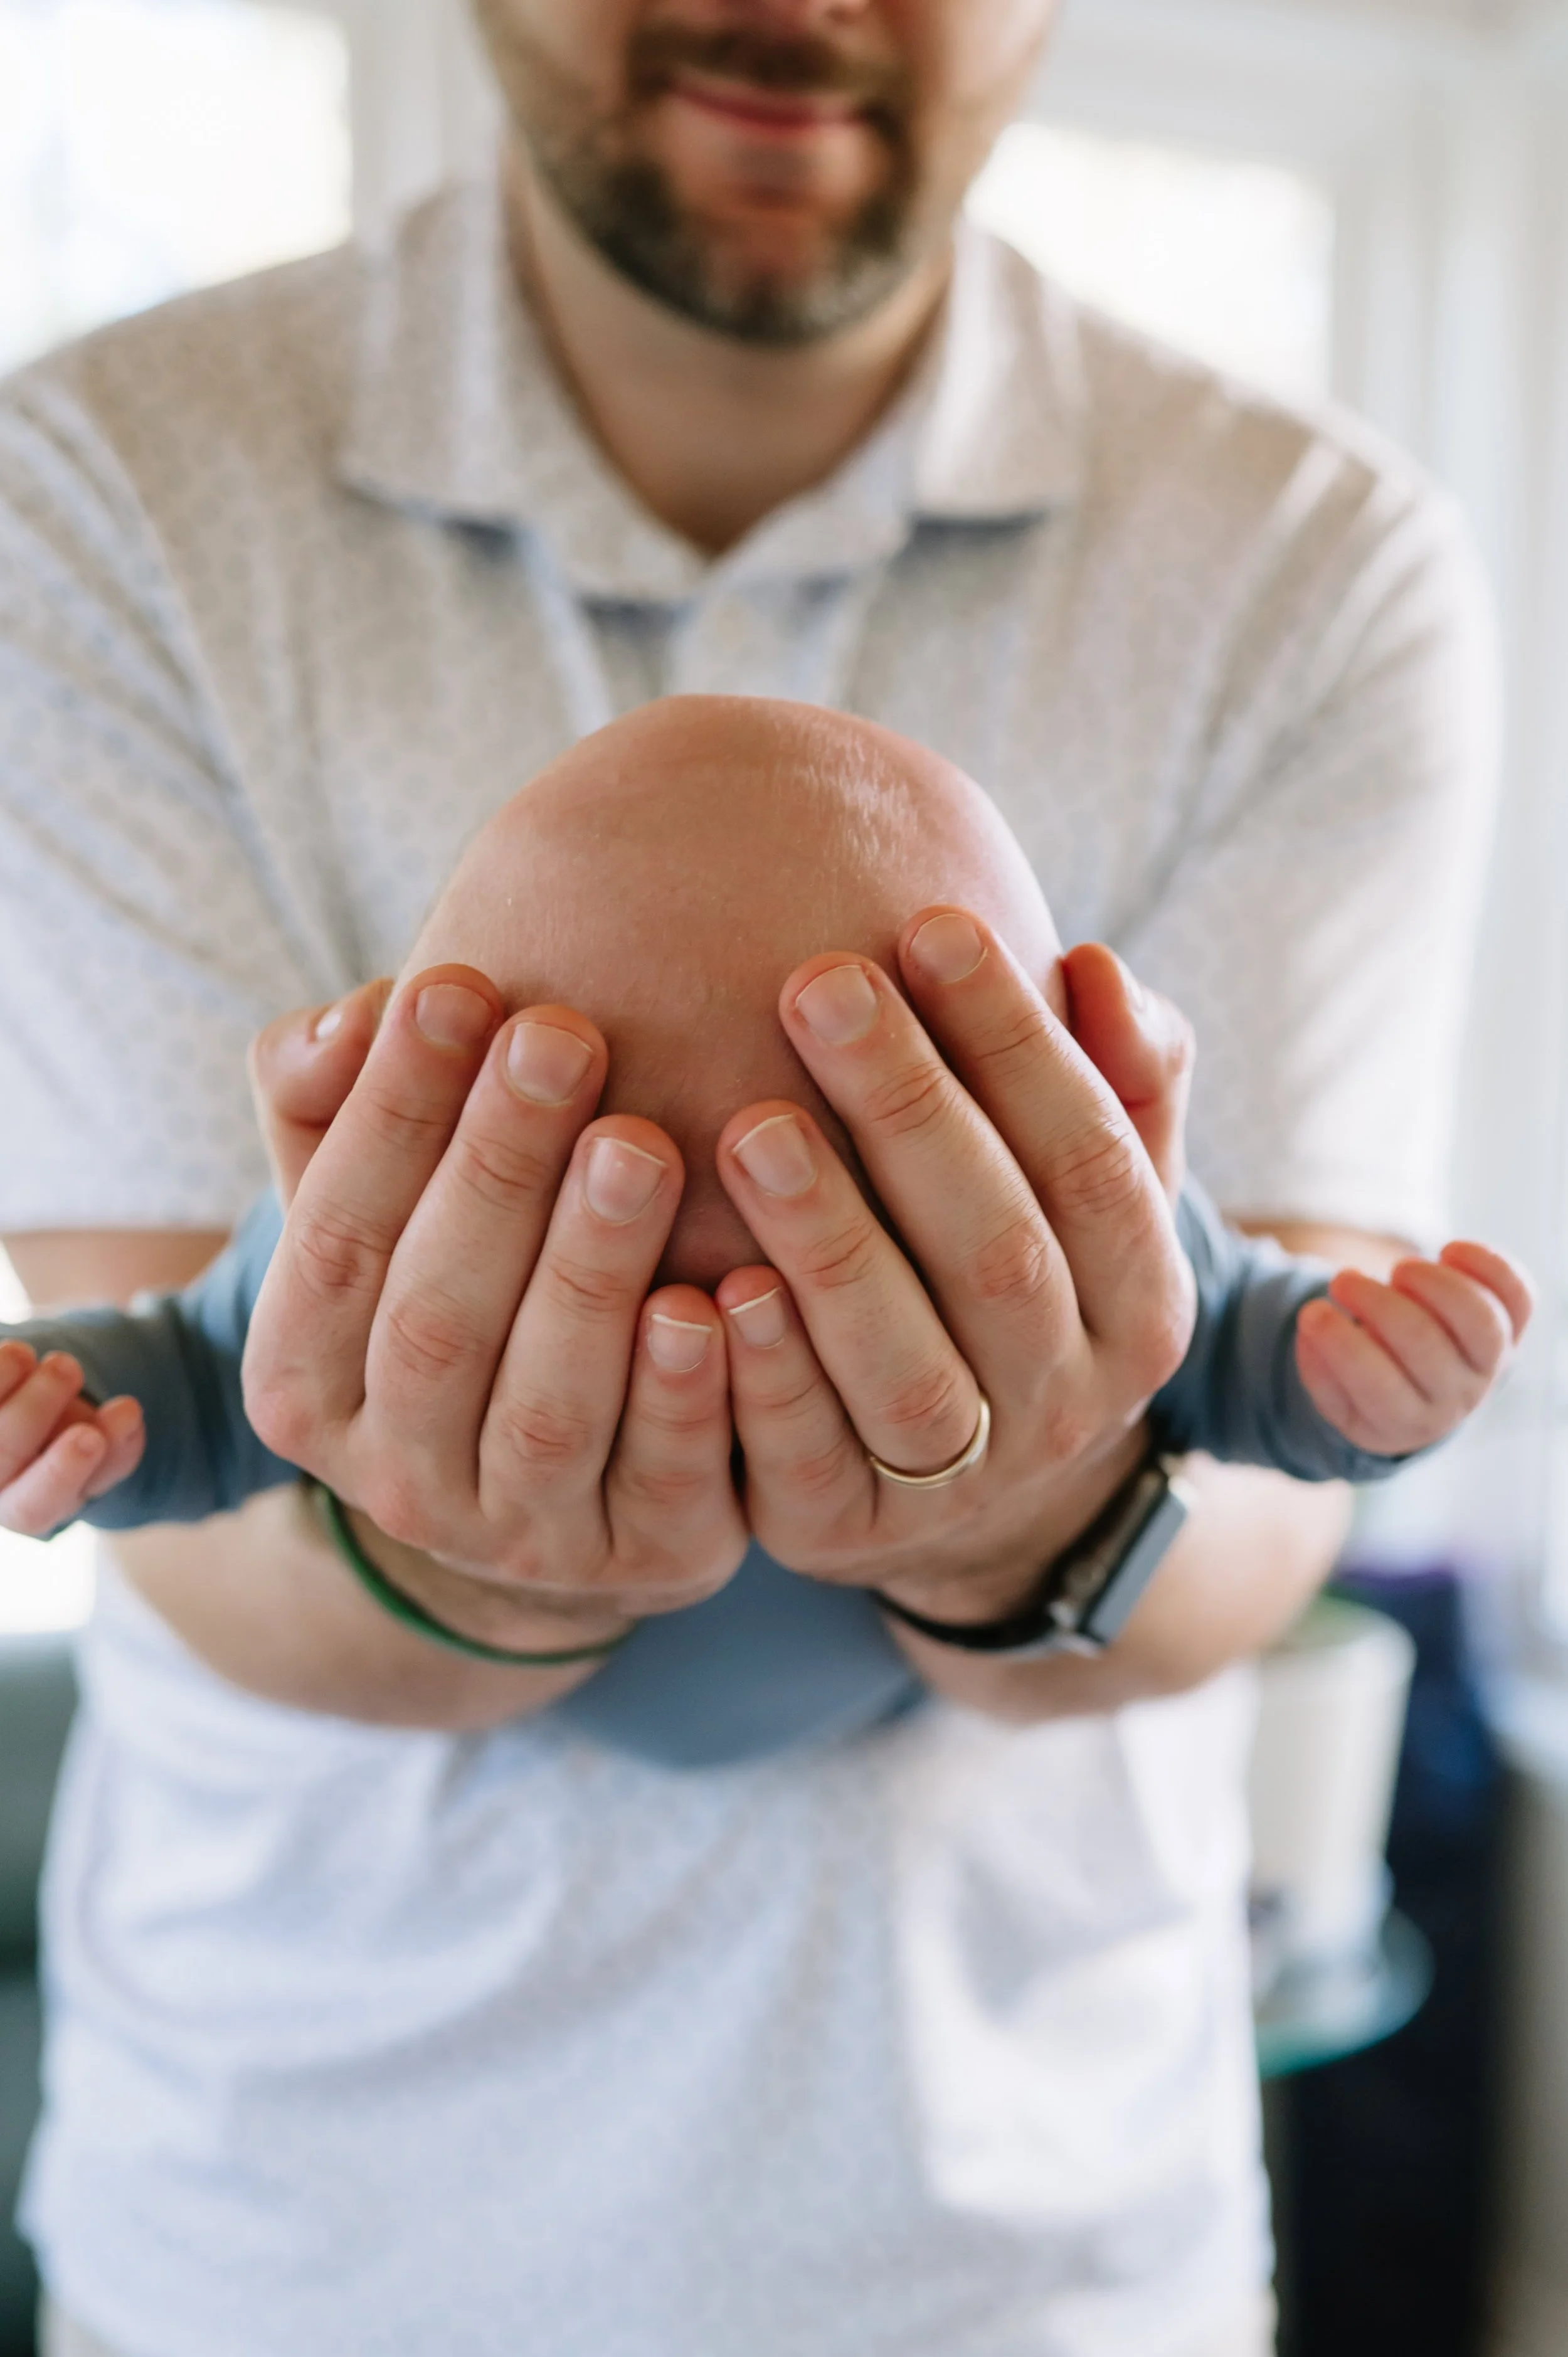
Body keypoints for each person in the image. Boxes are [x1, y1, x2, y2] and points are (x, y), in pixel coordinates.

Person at [0, 4, 1498, 2353]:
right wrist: (120, 1418)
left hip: (1028, 2249)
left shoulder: (1316, 560)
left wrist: (1231, 1423)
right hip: (291, 2242)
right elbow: (201, 1411)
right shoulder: (90, 487)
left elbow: (1263, 1425)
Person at [0, 700, 1531, 1784]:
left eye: (865, 1209)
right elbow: (209, 1388)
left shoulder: (1089, 1238)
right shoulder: (373, 1259)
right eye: (615, 1212)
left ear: (1027, 1113)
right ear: (444, 1117)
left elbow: (1237, 1356)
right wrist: (75, 1415)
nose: (739, 1319)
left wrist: (1349, 1384)